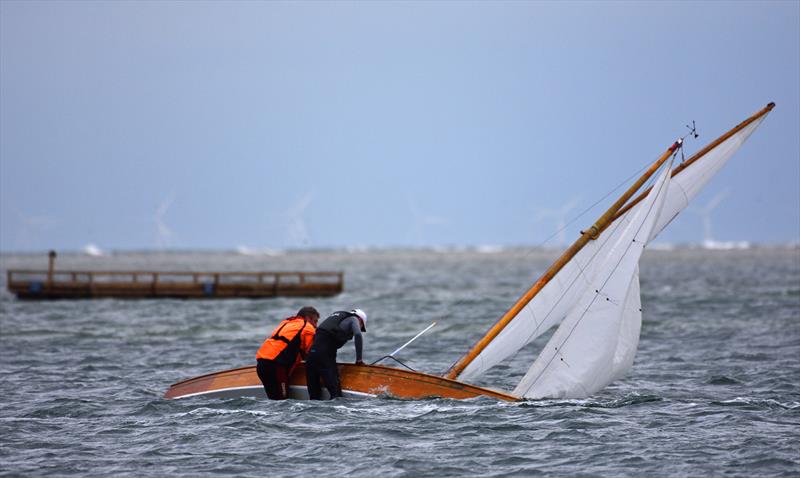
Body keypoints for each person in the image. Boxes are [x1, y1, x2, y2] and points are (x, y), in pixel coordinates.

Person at [255, 306, 320, 400]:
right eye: (315, 321)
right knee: (282, 402)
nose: (315, 325)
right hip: (276, 366)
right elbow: (312, 352)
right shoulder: (307, 327)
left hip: (261, 364)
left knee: (273, 400)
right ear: (308, 318)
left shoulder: (287, 323)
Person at [305, 308, 367, 400]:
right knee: (336, 396)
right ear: (360, 320)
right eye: (361, 326)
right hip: (325, 356)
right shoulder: (354, 319)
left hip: (311, 356)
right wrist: (359, 360)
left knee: (314, 397)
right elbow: (358, 335)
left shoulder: (335, 319)